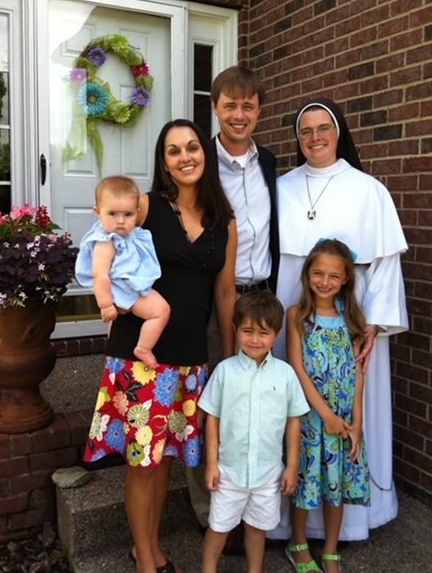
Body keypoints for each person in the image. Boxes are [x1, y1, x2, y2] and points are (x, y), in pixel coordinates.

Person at [84, 119, 237, 573]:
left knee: (165, 457)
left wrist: (227, 360)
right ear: (163, 162)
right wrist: (109, 301)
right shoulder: (146, 206)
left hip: (190, 358)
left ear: (204, 155)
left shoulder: (223, 222)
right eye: (173, 151)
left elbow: (225, 295)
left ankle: (145, 547)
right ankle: (146, 560)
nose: (185, 156)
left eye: (192, 147)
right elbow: (104, 247)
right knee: (143, 463)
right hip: (141, 356)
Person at [269, 98, 408, 542]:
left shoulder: (369, 189)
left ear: (339, 131)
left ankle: (345, 525)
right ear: (297, 138)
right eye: (305, 130)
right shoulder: (280, 186)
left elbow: (386, 264)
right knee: (292, 406)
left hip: (351, 315)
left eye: (323, 128)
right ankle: (287, 525)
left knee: (349, 407)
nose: (314, 138)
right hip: (291, 305)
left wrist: (374, 324)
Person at [187, 65, 280, 549]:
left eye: (248, 106)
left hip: (262, 298)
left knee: (258, 404)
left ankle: (256, 509)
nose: (239, 115)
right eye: (230, 105)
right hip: (214, 299)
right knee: (214, 396)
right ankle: (211, 515)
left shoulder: (269, 163)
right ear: (215, 108)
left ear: (259, 111)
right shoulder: (199, 162)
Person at [199, 291, 308, 573]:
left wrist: (291, 466)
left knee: (258, 529)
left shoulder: (285, 375)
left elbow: (294, 421)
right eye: (247, 331)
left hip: (267, 473)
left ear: (277, 333)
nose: (255, 339)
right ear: (236, 329)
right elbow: (212, 418)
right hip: (228, 472)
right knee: (219, 527)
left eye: (263, 332)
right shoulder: (224, 371)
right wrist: (211, 464)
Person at [286, 239, 370, 573]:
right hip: (311, 417)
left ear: (346, 279)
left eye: (334, 276)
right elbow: (298, 368)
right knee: (307, 480)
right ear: (307, 274)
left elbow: (359, 375)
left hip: (345, 419)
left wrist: (357, 423)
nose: (325, 282)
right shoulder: (297, 316)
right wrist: (325, 415)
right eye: (318, 273)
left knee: (339, 481)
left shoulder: (352, 319)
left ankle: (332, 550)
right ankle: (299, 543)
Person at [75, 175, 170, 368]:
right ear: (98, 212)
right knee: (161, 311)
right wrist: (106, 305)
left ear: (137, 212)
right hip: (123, 290)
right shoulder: (106, 241)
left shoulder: (130, 235)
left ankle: (118, 345)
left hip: (128, 286)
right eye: (113, 214)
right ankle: (144, 348)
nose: (121, 221)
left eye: (128, 215)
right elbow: (99, 275)